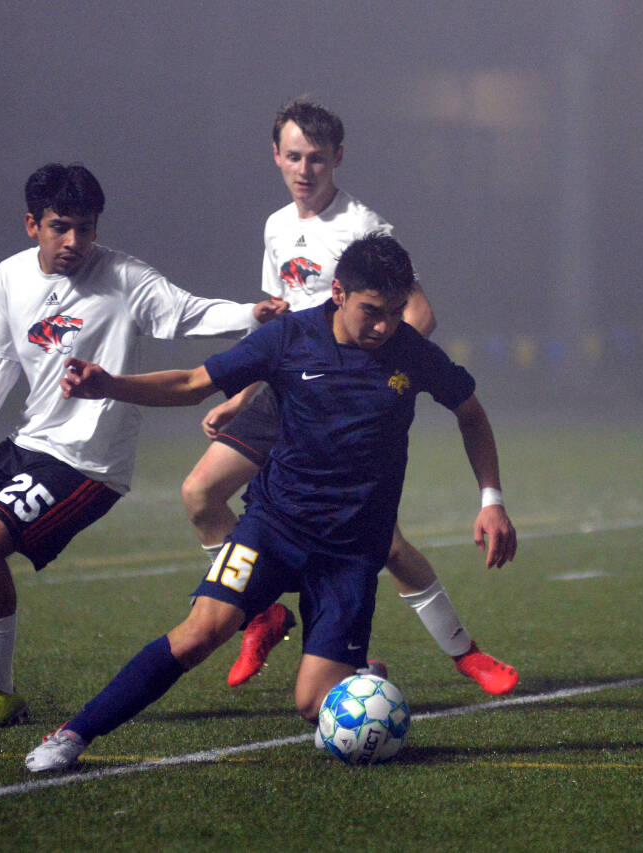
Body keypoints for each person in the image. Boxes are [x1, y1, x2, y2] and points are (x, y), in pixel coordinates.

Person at [26, 233, 517, 772]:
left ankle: (360, 677)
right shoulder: (289, 338)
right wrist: (112, 385)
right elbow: (192, 383)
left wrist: (490, 499)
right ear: (337, 293)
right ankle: (73, 734)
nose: (385, 326)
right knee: (200, 634)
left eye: (396, 313)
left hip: (351, 553)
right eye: (372, 312)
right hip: (272, 527)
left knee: (312, 704)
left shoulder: (412, 353)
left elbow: (470, 410)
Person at [0, 163, 286, 730]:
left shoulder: (124, 277)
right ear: (32, 224)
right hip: (29, 442)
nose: (74, 241)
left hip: (86, 464)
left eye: (85, 229)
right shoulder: (9, 276)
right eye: (61, 227)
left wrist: (250, 314)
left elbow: (186, 312)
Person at [179, 99, 515, 693]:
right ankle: (263, 615)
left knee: (381, 542)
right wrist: (246, 392)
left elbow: (419, 313)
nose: (304, 170)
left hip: (342, 398)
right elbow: (277, 325)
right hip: (288, 391)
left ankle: (464, 652)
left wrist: (368, 375)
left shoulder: (364, 227)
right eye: (293, 157)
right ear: (276, 156)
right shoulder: (277, 226)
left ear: (338, 158)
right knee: (201, 493)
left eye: (316, 159)